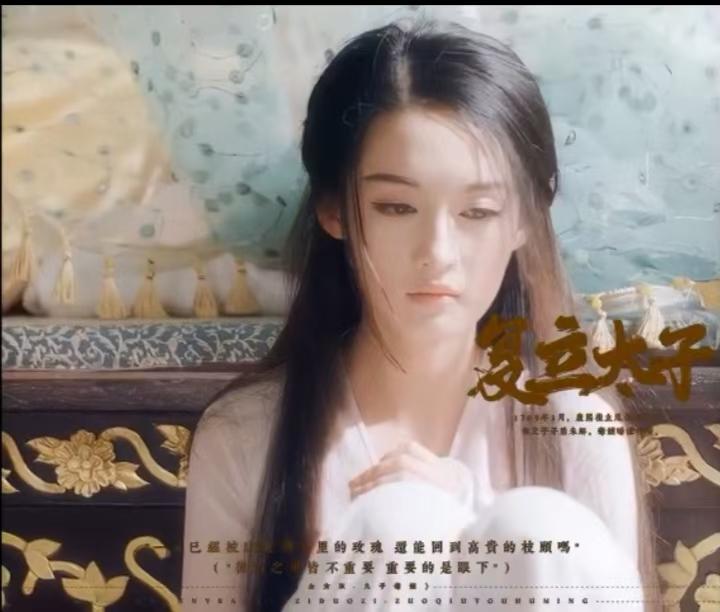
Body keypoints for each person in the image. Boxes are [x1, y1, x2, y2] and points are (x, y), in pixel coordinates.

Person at [181, 17, 659, 612]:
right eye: (396, 206)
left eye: (477, 212)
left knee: (537, 531)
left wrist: (470, 514)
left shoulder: (573, 427)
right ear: (335, 210)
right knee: (398, 524)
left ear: (523, 221)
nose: (437, 252)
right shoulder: (247, 433)